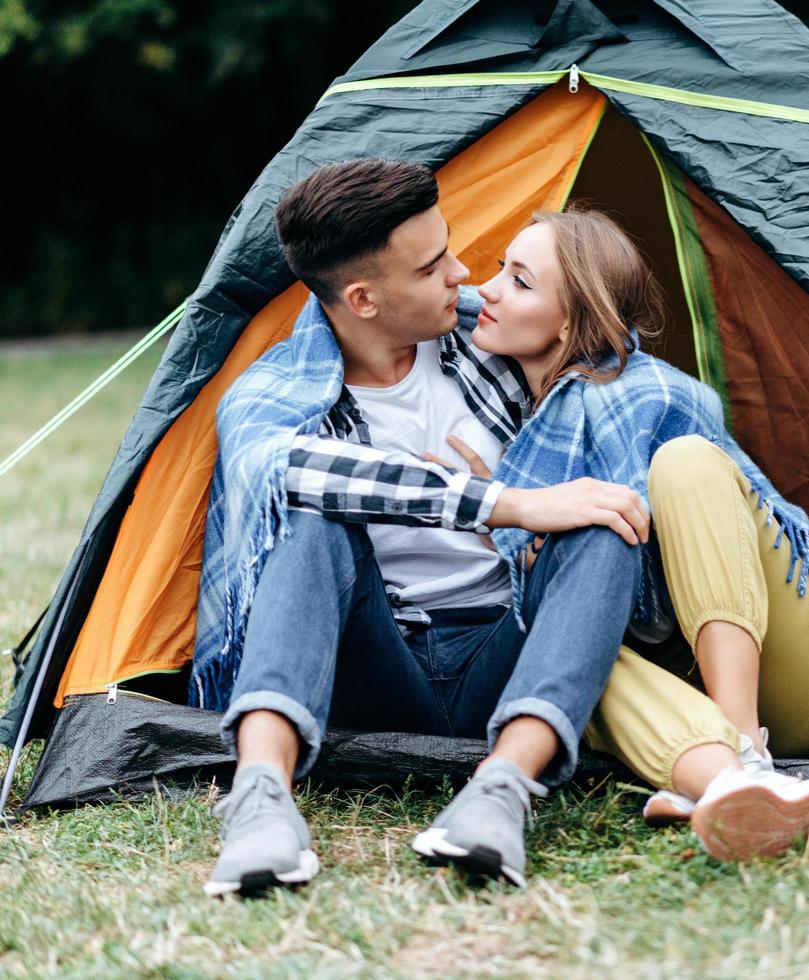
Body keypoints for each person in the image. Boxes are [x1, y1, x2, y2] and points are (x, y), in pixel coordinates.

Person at [193, 159, 655, 896]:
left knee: (604, 521)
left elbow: (623, 370)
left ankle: (502, 791)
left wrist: (554, 492)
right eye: (435, 263)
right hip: (375, 662)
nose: (463, 272)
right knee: (311, 519)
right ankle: (258, 802)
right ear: (364, 298)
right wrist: (507, 503)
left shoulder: (488, 335)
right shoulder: (272, 390)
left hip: (504, 647)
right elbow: (285, 469)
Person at [453, 206, 809, 861]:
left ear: (571, 321)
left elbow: (631, 543)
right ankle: (723, 783)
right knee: (558, 649)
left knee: (684, 461)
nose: (491, 290)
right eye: (500, 269)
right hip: (670, 685)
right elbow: (401, 296)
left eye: (520, 281)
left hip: (783, 677)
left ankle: (744, 746)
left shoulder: (651, 396)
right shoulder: (519, 419)